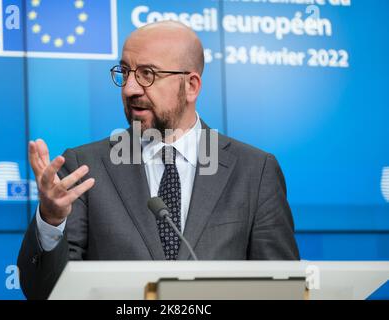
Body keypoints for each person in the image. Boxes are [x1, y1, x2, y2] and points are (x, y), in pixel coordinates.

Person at [17, 21, 299, 300]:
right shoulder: (82, 167)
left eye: (147, 74)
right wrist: (51, 221)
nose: (129, 89)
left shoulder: (254, 171)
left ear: (191, 86)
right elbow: (45, 294)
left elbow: (283, 289)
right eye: (125, 73)